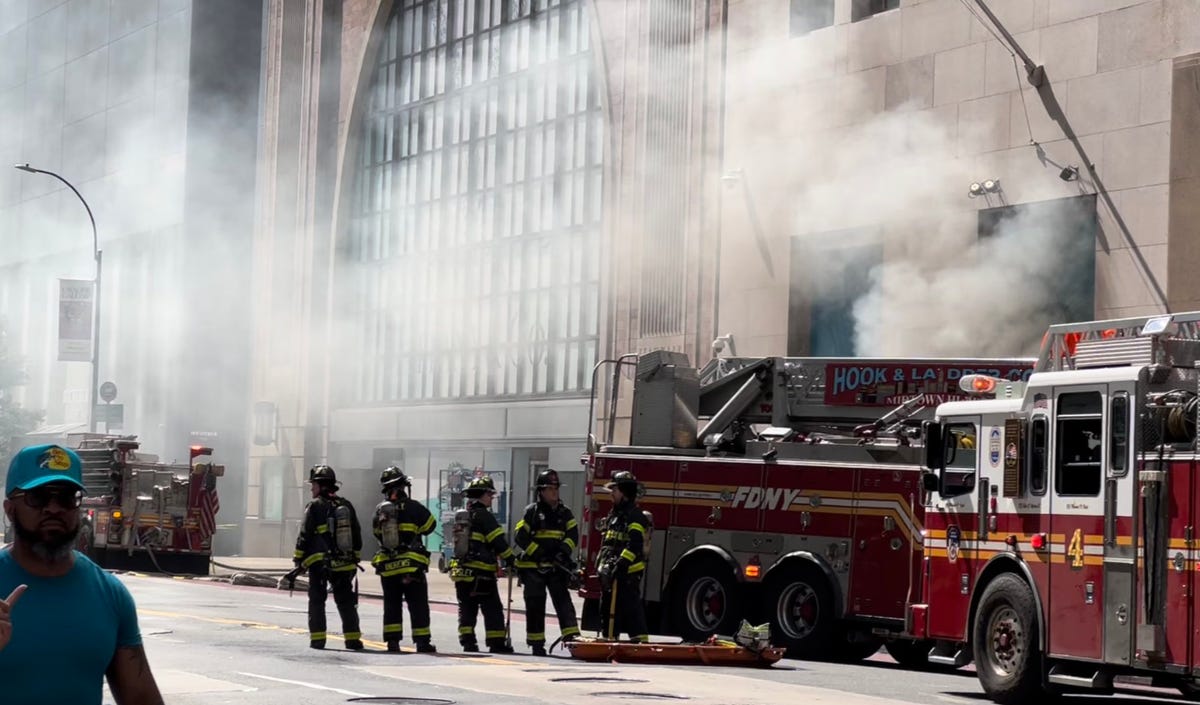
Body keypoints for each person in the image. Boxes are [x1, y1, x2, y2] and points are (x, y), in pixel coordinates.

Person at [0, 443, 164, 704]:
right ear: (10, 509)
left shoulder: (110, 594)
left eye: (66, 497)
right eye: (38, 497)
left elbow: (140, 697)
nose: (53, 508)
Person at [293, 464, 363, 650]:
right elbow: (356, 534)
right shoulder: (346, 505)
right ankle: (353, 639)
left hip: (320, 565)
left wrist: (298, 559)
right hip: (344, 564)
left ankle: (318, 639)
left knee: (317, 601)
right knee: (346, 602)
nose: (311, 488)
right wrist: (354, 558)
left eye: (313, 485)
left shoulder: (315, 506)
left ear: (320, 485)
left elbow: (305, 534)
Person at [513, 468, 581, 656]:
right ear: (541, 491)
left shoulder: (565, 513)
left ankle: (573, 640)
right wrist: (539, 553)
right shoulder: (532, 512)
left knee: (564, 603)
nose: (554, 492)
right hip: (533, 568)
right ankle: (536, 644)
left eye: (556, 488)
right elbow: (520, 536)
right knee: (535, 605)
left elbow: (573, 535)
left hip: (556, 567)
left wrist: (563, 552)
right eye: (550, 489)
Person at [370, 466, 437, 653]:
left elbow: (376, 533)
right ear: (404, 486)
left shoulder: (379, 510)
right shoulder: (414, 507)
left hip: (389, 566)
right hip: (411, 566)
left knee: (391, 604)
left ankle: (393, 642)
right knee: (418, 605)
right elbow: (430, 526)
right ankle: (422, 642)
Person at [449, 475, 515, 653]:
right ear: (483, 495)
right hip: (482, 573)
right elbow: (498, 542)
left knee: (466, 608)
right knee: (492, 608)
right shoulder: (485, 516)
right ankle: (496, 643)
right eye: (490, 494)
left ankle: (468, 642)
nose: (492, 497)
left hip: (462, 572)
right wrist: (512, 560)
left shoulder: (464, 516)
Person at [597, 470, 649, 643]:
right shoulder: (615, 515)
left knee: (631, 610)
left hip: (628, 573)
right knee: (607, 608)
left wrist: (621, 564)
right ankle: (609, 640)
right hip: (613, 572)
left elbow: (635, 545)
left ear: (625, 492)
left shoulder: (634, 516)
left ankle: (640, 644)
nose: (611, 494)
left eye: (615, 490)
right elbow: (608, 544)